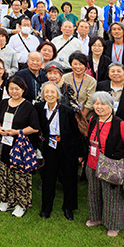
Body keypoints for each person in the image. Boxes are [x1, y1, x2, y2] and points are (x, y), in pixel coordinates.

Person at [85, 91, 124, 237]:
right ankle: (96, 218)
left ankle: (113, 224)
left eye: (102, 104)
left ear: (111, 106)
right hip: (92, 163)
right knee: (93, 193)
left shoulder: (121, 124)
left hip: (111, 165)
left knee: (112, 196)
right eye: (96, 103)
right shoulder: (93, 120)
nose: (99, 107)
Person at [0, 76, 39, 217]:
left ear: (23, 90)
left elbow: (35, 128)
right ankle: (6, 200)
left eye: (17, 89)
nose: (14, 91)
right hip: (5, 143)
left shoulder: (29, 107)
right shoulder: (3, 103)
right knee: (4, 172)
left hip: (20, 146)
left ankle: (21, 204)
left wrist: (17, 132)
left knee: (20, 175)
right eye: (11, 88)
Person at [37, 81, 81, 220]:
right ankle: (46, 208)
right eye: (47, 92)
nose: (49, 94)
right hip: (49, 147)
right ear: (43, 94)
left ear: (58, 95)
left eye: (52, 92)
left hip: (66, 146)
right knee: (48, 178)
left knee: (69, 178)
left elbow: (76, 133)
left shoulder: (67, 110)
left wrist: (80, 153)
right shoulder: (38, 108)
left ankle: (68, 208)